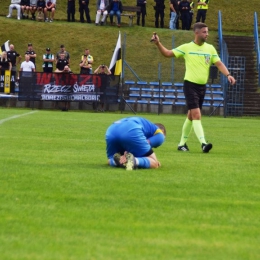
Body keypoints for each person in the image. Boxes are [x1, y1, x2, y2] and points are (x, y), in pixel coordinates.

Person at [151, 22, 236, 153]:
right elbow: (168, 53)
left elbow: (219, 64)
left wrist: (228, 74)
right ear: (196, 32)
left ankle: (181, 144)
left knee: (191, 116)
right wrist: (158, 43)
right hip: (190, 85)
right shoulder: (187, 47)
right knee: (197, 115)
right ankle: (203, 144)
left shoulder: (210, 49)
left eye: (207, 32)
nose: (207, 34)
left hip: (202, 87)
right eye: (204, 32)